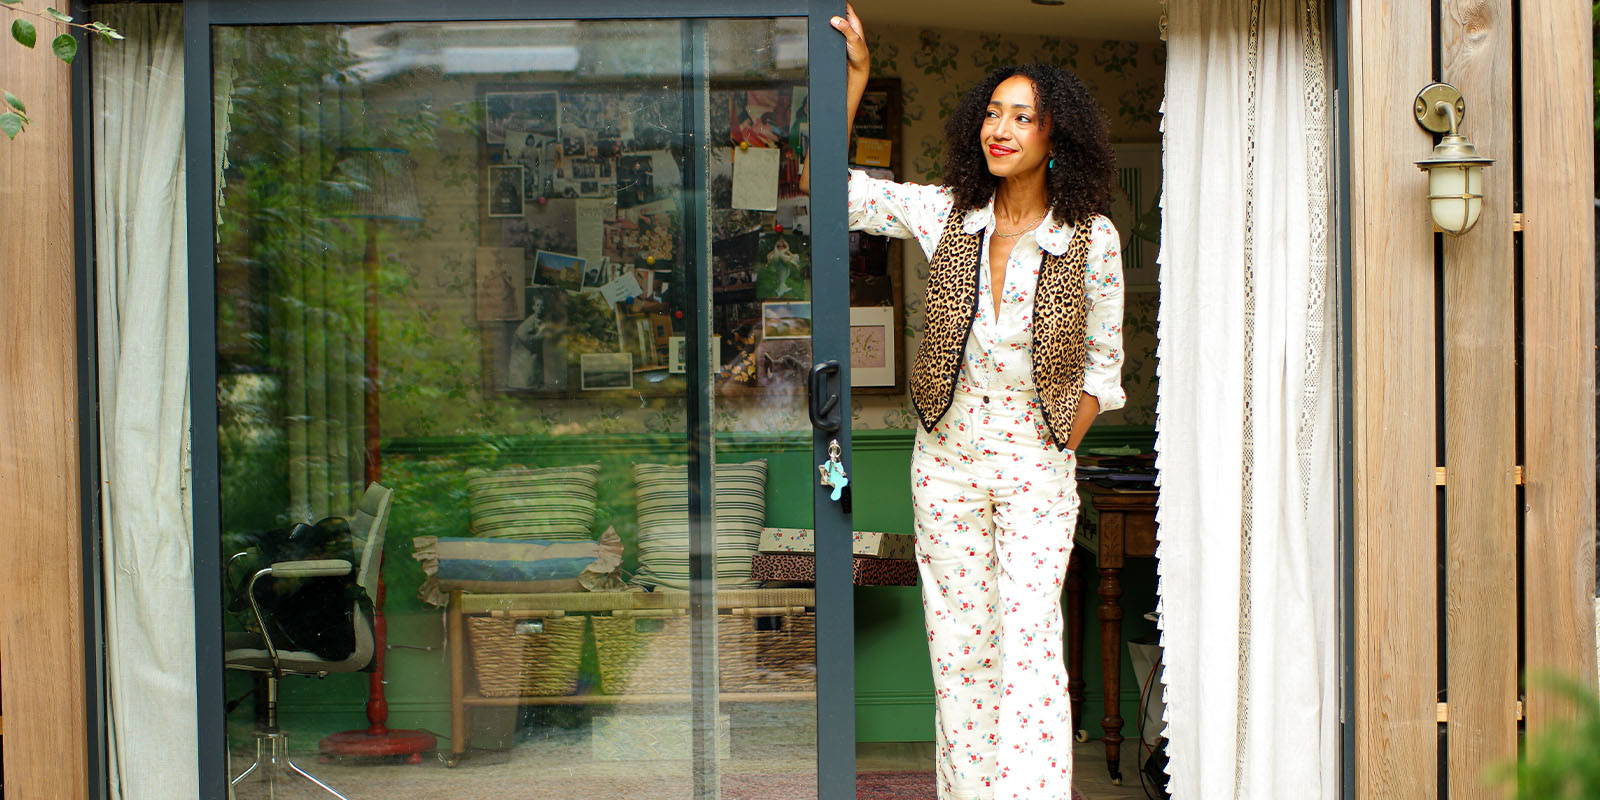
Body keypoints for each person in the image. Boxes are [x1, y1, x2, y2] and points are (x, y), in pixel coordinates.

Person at [810, 7, 1126, 799]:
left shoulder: (1090, 237)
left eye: (1024, 117)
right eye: (993, 112)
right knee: (959, 652)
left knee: (1027, 649)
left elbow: (1103, 369)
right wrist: (852, 79)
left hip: (1032, 472)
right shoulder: (949, 214)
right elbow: (832, 192)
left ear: (1058, 138)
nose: (1002, 128)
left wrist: (1056, 442)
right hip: (944, 468)